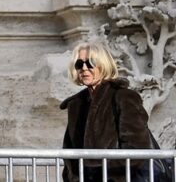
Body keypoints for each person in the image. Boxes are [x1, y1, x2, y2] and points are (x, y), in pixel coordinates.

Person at [60, 42, 153, 182]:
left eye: (90, 63)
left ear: (103, 64)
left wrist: (106, 175)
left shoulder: (123, 97)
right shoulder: (76, 104)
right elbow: (70, 151)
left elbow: (137, 149)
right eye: (79, 64)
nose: (84, 68)